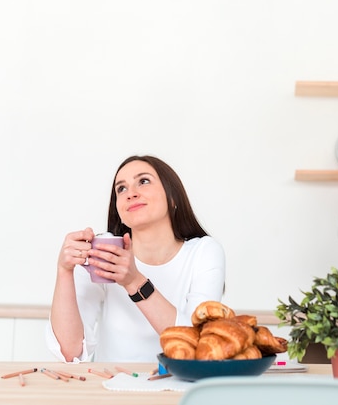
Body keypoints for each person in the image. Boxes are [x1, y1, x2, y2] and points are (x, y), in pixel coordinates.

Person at [46, 155, 226, 363]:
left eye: (144, 181)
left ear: (173, 197)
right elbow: (70, 352)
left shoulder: (204, 252)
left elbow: (198, 347)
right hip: (112, 388)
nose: (130, 193)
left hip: (179, 388)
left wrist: (133, 282)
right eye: (121, 189)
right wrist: (64, 271)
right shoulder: (104, 252)